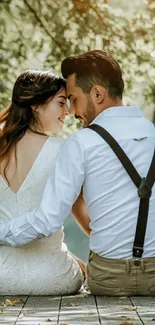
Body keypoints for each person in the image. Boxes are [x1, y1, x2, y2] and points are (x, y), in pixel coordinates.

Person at [0, 50, 155, 296]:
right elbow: (81, 220)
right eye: (63, 102)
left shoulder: (81, 143)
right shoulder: (152, 134)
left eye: (72, 98)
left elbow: (48, 219)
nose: (70, 110)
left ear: (97, 94)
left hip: (107, 278)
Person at [0, 69, 87, 295]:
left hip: (1, 276)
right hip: (52, 278)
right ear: (36, 105)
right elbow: (84, 216)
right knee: (79, 266)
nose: (67, 111)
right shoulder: (64, 149)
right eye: (61, 102)